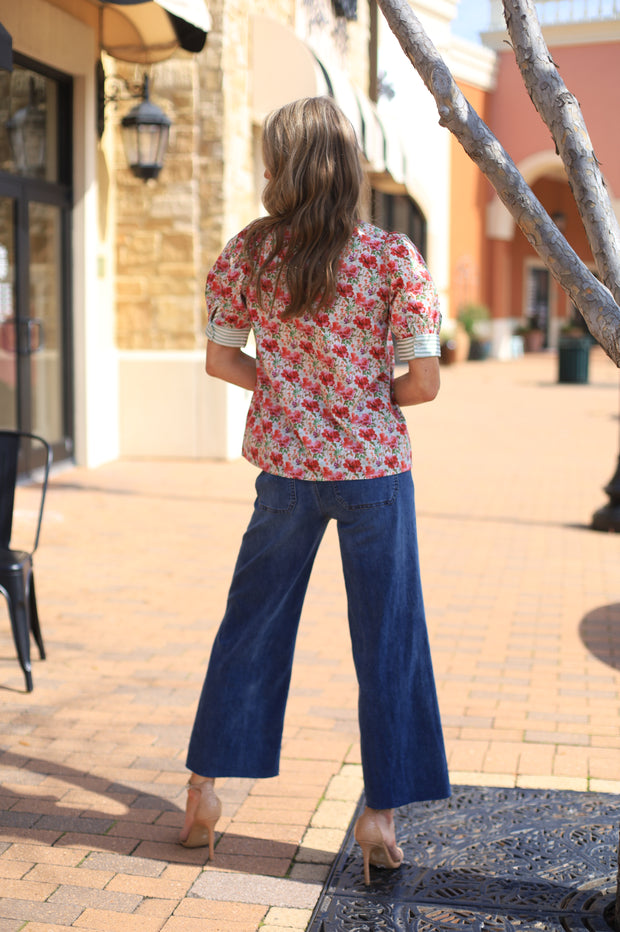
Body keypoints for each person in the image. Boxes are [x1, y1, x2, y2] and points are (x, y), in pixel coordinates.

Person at [181, 96, 450, 884]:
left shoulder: (248, 256)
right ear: (347, 166)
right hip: (373, 478)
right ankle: (381, 814)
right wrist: (362, 398)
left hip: (286, 475)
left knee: (250, 627)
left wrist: (289, 393)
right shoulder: (392, 258)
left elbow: (221, 361)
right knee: (389, 641)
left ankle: (202, 794)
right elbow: (426, 384)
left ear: (279, 171)